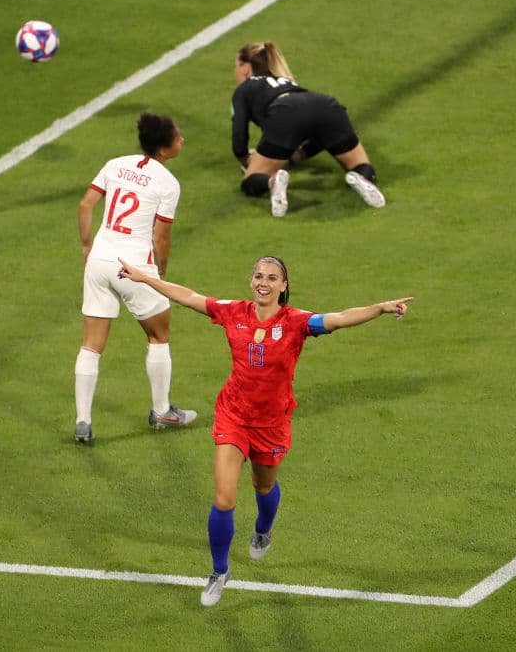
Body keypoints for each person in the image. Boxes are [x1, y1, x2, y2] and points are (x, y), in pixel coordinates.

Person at [116, 255, 413, 606]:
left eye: (273, 278)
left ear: (283, 286)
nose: (264, 282)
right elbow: (189, 296)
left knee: (263, 485)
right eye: (259, 275)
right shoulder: (233, 312)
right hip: (233, 417)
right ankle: (219, 570)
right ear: (250, 280)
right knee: (224, 498)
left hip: (271, 424)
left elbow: (340, 319)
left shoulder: (297, 322)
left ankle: (262, 531)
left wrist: (379, 308)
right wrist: (145, 279)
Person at [72, 113, 197, 444]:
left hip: (99, 261)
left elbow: (86, 205)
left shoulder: (115, 164)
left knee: (91, 344)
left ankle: (83, 420)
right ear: (165, 146)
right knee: (159, 334)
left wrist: (87, 246)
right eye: (178, 135)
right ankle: (162, 412)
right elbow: (162, 237)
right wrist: (160, 275)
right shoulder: (168, 183)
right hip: (134, 268)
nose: (182, 139)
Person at [230, 41, 387, 218]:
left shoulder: (245, 88)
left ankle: (272, 181)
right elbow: (319, 137)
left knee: (249, 183)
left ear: (245, 68)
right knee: (360, 164)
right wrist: (296, 157)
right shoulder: (287, 82)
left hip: (287, 112)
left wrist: (245, 159)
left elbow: (239, 135)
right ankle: (364, 179)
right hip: (327, 105)